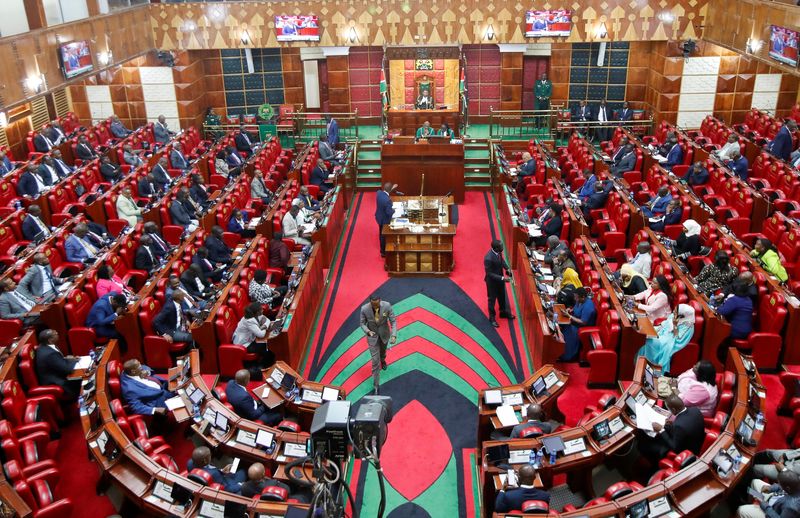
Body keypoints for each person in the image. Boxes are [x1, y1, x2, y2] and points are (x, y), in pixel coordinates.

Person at [637, 394, 705, 458]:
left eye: (668, 409)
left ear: (673, 410)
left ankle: (655, 464)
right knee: (664, 429)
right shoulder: (695, 410)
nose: (668, 411)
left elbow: (675, 448)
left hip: (687, 450)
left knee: (642, 446)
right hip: (697, 440)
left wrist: (661, 430)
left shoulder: (679, 425)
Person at [636, 304, 696, 374]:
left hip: (671, 341)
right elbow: (665, 324)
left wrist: (675, 325)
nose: (674, 311)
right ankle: (639, 365)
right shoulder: (674, 315)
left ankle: (645, 367)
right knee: (644, 334)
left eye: (676, 311)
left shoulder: (688, 325)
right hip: (663, 334)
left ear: (682, 314)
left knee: (649, 341)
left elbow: (678, 338)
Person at [359, 294, 397, 395]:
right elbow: (362, 323)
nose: (375, 307)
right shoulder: (364, 309)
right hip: (372, 337)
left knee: (382, 354)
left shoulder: (387, 306)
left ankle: (383, 360)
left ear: (380, 300)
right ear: (370, 302)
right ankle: (376, 385)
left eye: (377, 305)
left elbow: (393, 321)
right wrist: (368, 331)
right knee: (375, 361)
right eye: (373, 305)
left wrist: (394, 335)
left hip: (384, 335)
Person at [736, 470, 800, 518]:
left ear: (788, 488)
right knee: (754, 482)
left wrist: (764, 505)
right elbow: (781, 486)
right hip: (774, 498)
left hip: (770, 511)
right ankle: (749, 502)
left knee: (741, 510)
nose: (779, 484)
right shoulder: (794, 485)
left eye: (780, 484)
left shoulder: (791, 508)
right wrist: (770, 488)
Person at [35, 330, 80, 398]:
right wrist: (75, 361)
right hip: (57, 382)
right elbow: (67, 369)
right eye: (55, 334)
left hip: (56, 374)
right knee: (83, 379)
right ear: (50, 340)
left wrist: (67, 359)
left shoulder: (43, 346)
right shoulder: (50, 354)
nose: (57, 333)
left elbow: (56, 362)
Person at [231, 304, 275, 369]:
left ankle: (268, 363)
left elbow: (267, 320)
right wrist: (265, 326)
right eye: (261, 309)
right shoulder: (249, 321)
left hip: (251, 339)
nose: (263, 310)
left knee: (267, 344)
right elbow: (261, 334)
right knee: (266, 345)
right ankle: (264, 366)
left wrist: (264, 326)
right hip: (243, 344)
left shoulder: (255, 315)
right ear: (257, 312)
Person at [559, 287, 596, 362]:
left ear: (583, 297)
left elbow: (583, 322)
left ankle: (567, 356)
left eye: (576, 297)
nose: (575, 299)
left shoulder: (588, 307)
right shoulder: (579, 300)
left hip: (581, 328)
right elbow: (576, 309)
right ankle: (558, 349)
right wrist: (570, 310)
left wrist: (569, 316)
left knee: (569, 334)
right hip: (574, 322)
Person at [484, 240, 515, 328]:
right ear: (496, 248)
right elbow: (489, 274)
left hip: (500, 280)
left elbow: (502, 260)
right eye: (501, 246)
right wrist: (502, 278)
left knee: (502, 296)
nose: (503, 248)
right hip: (492, 282)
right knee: (492, 299)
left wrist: (507, 268)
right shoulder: (488, 258)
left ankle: (503, 312)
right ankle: (492, 317)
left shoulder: (498, 252)